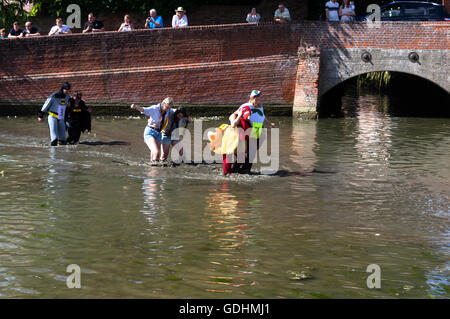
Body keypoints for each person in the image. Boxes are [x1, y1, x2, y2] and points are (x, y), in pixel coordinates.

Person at [130, 97, 174, 164]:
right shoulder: (154, 109)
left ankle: (152, 170)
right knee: (156, 151)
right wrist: (135, 106)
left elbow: (176, 111)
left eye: (169, 108)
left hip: (159, 133)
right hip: (150, 132)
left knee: (156, 155)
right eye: (167, 107)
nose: (168, 109)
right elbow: (144, 110)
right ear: (163, 104)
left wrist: (186, 115)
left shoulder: (168, 111)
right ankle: (154, 167)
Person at [38, 82, 71, 146]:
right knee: (54, 139)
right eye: (66, 89)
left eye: (68, 89)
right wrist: (40, 115)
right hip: (52, 116)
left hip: (61, 116)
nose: (67, 91)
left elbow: (67, 106)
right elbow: (46, 104)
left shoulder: (67, 96)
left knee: (63, 140)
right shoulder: (54, 95)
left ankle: (62, 154)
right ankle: (53, 154)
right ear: (63, 88)